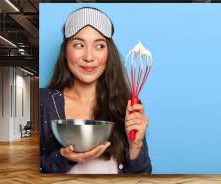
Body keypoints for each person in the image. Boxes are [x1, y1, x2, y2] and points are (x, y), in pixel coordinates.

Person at [39, 7, 152, 174]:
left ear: (109, 53)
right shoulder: (43, 101)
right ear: (65, 51)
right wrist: (64, 157)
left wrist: (135, 145)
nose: (89, 57)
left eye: (99, 46)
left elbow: (142, 177)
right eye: (79, 45)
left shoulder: (127, 105)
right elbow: (33, 171)